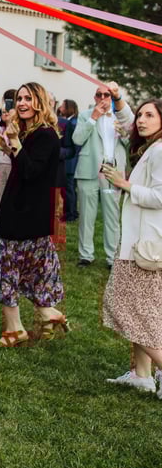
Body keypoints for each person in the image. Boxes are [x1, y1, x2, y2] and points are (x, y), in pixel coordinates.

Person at [0, 82, 67, 347]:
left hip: (26, 214)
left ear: (39, 102)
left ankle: (15, 330)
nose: (21, 103)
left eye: (27, 98)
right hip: (20, 209)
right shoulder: (31, 133)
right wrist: (10, 143)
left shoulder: (46, 135)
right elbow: (23, 167)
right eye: (18, 98)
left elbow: (32, 171)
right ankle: (46, 313)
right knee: (26, 270)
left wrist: (15, 143)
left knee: (8, 270)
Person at [102, 99, 162, 395]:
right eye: (140, 114)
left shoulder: (161, 150)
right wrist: (117, 101)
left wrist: (124, 185)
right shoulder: (151, 147)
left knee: (124, 306)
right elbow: (127, 124)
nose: (141, 119)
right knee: (142, 312)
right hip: (137, 243)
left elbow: (161, 196)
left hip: (145, 247)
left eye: (149, 115)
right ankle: (142, 374)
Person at [72, 81, 133, 268]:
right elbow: (77, 139)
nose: (103, 99)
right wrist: (93, 118)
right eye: (100, 95)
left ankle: (112, 257)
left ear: (112, 97)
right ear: (95, 98)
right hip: (88, 170)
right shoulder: (84, 115)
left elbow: (132, 144)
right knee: (86, 216)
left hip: (113, 171)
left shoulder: (121, 117)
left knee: (112, 215)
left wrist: (123, 133)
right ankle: (86, 255)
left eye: (107, 95)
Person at [59, 99, 80, 222]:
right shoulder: (71, 121)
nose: (60, 108)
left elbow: (74, 145)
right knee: (70, 188)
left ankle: (71, 213)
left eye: (62, 106)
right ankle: (72, 211)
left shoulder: (72, 123)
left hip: (70, 161)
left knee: (69, 188)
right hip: (71, 160)